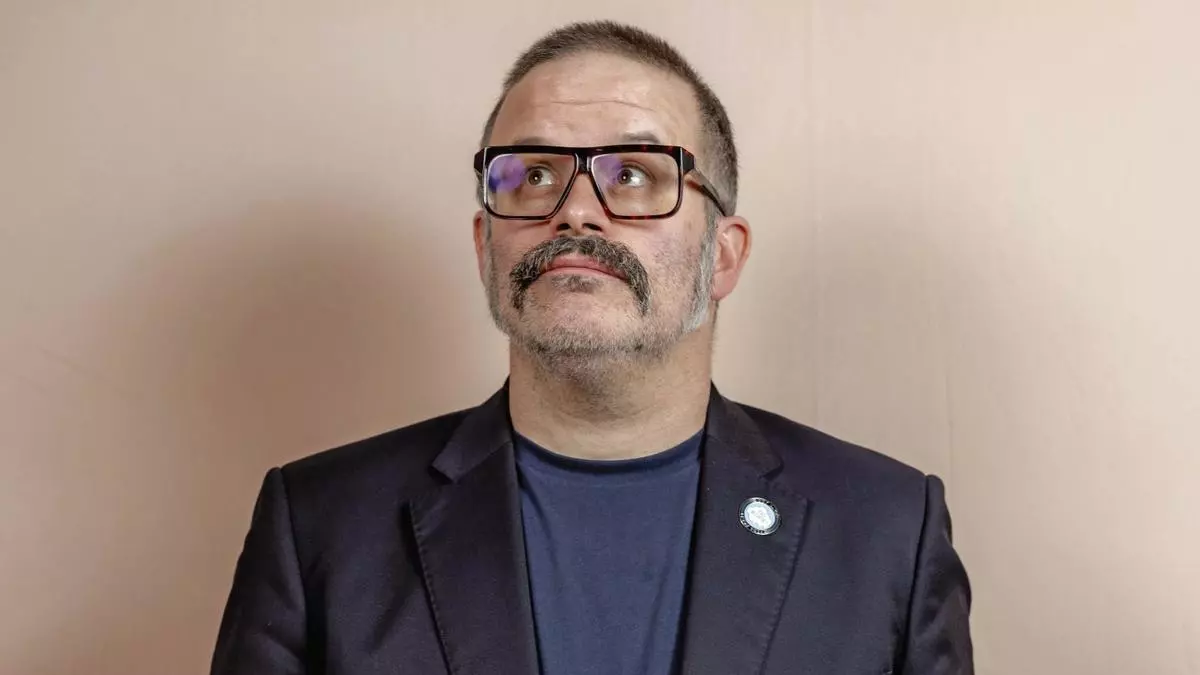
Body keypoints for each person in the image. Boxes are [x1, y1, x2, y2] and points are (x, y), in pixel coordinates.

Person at [210, 20, 973, 675]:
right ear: (485, 245)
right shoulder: (319, 527)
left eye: (634, 174)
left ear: (724, 256)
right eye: (534, 174)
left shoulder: (887, 531)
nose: (576, 211)